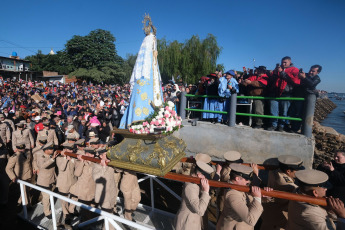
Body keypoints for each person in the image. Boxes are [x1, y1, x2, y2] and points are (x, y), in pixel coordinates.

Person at [260, 155, 303, 230]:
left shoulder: (274, 171)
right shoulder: (288, 185)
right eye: (297, 170)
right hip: (278, 216)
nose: (299, 172)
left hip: (267, 211)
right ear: (288, 171)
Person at [216, 163, 264, 230]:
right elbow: (251, 220)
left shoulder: (239, 187)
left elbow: (251, 199)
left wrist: (262, 195)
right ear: (237, 178)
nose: (248, 181)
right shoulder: (232, 195)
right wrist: (257, 198)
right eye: (246, 179)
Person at [175, 161, 212, 230]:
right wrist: (206, 191)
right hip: (187, 223)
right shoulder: (191, 186)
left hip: (192, 220)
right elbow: (200, 211)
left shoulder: (195, 181)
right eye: (205, 176)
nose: (207, 179)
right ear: (199, 175)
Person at [267, 56, 300, 132]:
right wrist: (275, 72)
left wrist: (282, 72)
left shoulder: (294, 70)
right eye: (282, 62)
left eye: (285, 62)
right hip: (275, 93)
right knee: (273, 111)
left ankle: (281, 126)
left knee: (284, 112)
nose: (283, 64)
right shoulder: (277, 69)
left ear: (290, 62)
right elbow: (271, 80)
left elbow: (293, 81)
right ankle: (273, 125)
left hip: (286, 93)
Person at [289, 65, 322, 133]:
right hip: (295, 96)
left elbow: (312, 84)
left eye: (313, 71)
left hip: (303, 98)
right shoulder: (305, 75)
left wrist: (304, 78)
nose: (310, 72)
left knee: (298, 113)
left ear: (318, 72)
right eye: (310, 70)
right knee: (290, 112)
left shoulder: (317, 78)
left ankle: (295, 129)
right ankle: (290, 126)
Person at [217, 151, 243, 218]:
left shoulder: (227, 168)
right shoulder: (227, 172)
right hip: (226, 200)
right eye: (238, 163)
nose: (240, 164)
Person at [5, 142, 32, 207]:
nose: (22, 150)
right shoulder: (14, 157)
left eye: (23, 148)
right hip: (21, 177)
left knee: (26, 189)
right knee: (25, 191)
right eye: (20, 149)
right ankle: (27, 205)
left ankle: (20, 200)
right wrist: (13, 177)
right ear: (17, 149)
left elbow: (31, 161)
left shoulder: (28, 152)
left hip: (29, 174)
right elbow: (8, 168)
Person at [37, 142, 59, 218]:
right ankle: (47, 212)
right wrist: (52, 159)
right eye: (51, 149)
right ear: (46, 150)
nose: (52, 150)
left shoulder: (50, 156)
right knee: (47, 197)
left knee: (47, 196)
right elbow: (43, 166)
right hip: (44, 181)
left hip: (50, 180)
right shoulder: (41, 157)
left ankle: (44, 204)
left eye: (53, 148)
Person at [56, 142, 77, 222]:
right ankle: (66, 215)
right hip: (63, 182)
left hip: (73, 180)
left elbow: (76, 166)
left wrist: (71, 159)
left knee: (75, 196)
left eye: (72, 150)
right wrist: (65, 158)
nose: (71, 151)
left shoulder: (73, 157)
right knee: (64, 199)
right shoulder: (59, 158)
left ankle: (71, 210)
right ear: (64, 149)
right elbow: (61, 168)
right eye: (69, 150)